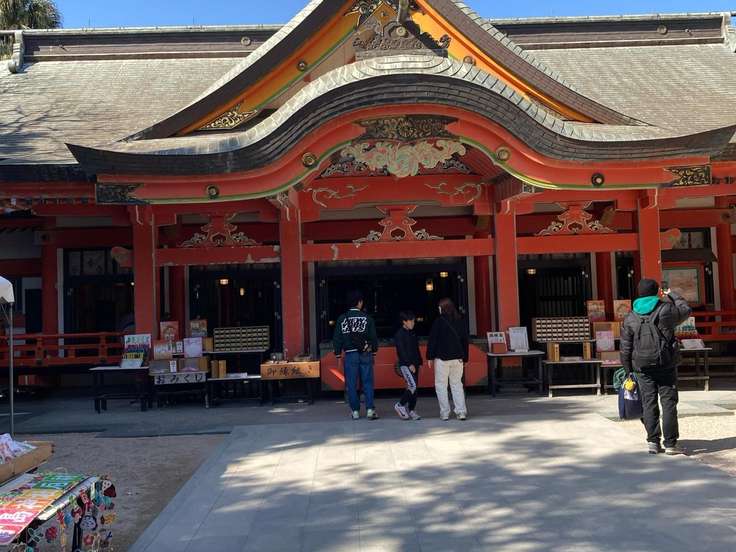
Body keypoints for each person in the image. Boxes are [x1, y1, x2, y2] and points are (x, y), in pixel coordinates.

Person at [620, 278, 692, 455]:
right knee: (668, 403)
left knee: (648, 403)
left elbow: (625, 348)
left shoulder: (630, 317)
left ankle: (653, 441)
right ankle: (671, 444)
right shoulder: (666, 309)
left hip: (642, 367)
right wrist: (672, 294)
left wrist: (628, 371)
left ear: (639, 293)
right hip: (666, 364)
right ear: (656, 292)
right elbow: (685, 310)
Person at [333, 291, 379, 420]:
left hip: (350, 355)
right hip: (365, 353)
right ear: (359, 302)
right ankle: (370, 409)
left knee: (351, 383)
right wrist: (374, 352)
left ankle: (355, 411)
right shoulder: (367, 318)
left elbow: (337, 339)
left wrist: (338, 355)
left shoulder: (342, 319)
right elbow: (373, 337)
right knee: (368, 382)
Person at [427, 298, 469, 421]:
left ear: (442, 308)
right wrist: (465, 358)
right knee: (457, 385)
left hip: (442, 359)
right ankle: (461, 412)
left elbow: (433, 340)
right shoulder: (460, 321)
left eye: (439, 307)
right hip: (458, 359)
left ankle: (445, 413)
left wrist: (429, 357)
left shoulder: (438, 322)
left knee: (441, 385)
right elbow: (465, 341)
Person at [394, 311, 422, 421]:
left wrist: (419, 362)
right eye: (411, 321)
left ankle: (411, 410)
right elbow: (401, 351)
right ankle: (400, 405)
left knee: (415, 388)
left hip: (415, 364)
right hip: (406, 365)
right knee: (412, 386)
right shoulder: (399, 335)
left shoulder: (413, 333)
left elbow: (416, 349)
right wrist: (409, 364)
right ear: (404, 322)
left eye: (413, 321)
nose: (413, 323)